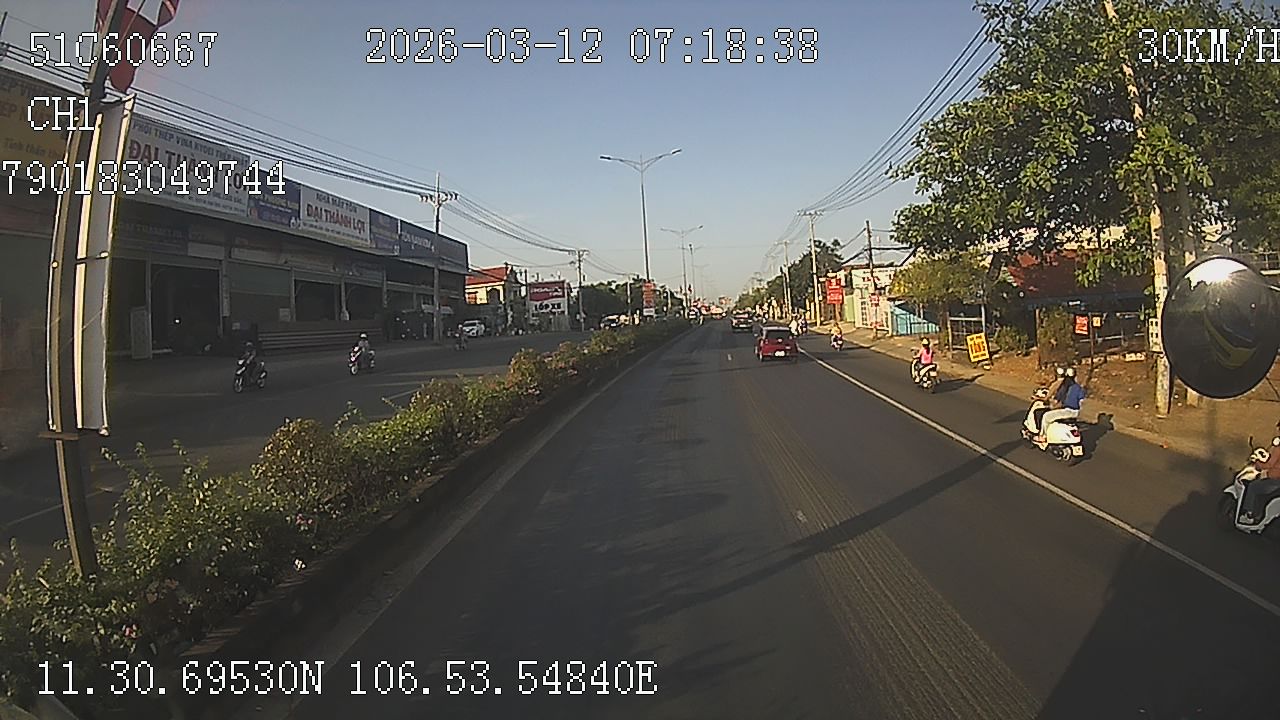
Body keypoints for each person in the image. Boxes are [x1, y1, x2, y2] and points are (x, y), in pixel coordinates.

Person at [1239, 420, 1280, 525]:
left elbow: (1270, 465)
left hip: (1275, 481)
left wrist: (1258, 464)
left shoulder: (1278, 448)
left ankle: (1249, 516)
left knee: (1253, 487)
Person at [1038, 367, 1084, 439]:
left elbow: (1058, 401)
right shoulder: (1078, 387)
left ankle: (1043, 436)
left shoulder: (1064, 387)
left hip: (1067, 410)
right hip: (1076, 412)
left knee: (1046, 416)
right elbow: (1081, 402)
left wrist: (1050, 403)